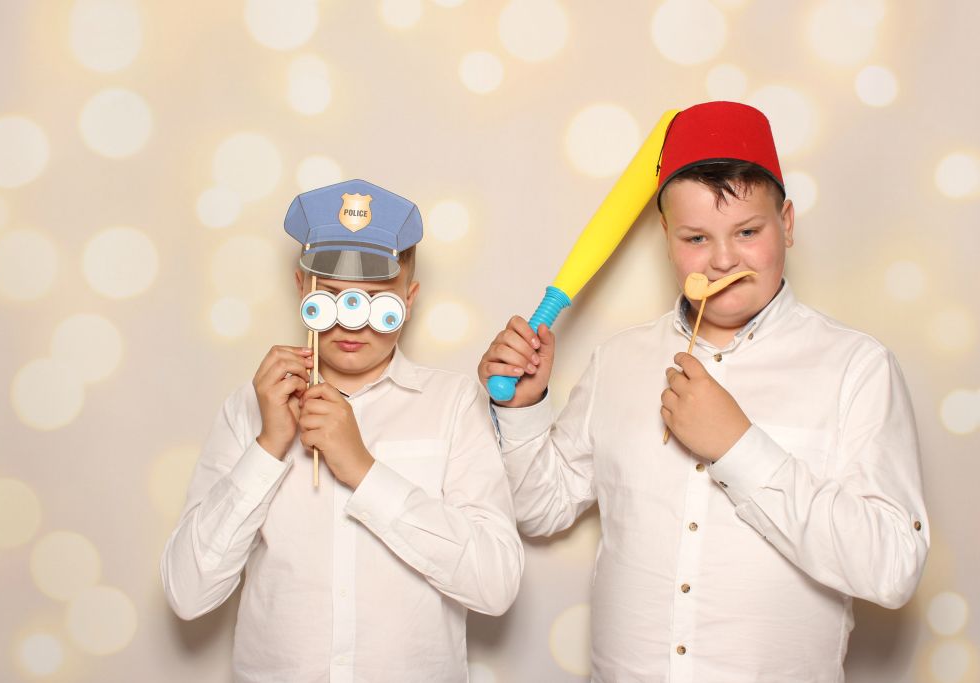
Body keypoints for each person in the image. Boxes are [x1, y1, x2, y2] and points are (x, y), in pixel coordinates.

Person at [478, 101, 929, 682]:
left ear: (787, 224)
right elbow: (540, 510)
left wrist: (737, 447)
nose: (722, 259)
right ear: (666, 237)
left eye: (748, 232)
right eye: (696, 237)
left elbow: (892, 569)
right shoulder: (617, 360)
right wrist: (521, 409)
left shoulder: (857, 368)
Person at [162, 179, 523, 682]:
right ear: (301, 289)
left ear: (409, 299)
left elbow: (496, 584)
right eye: (332, 298)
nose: (353, 323)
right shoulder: (250, 406)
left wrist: (363, 470)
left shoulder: (453, 405)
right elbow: (188, 593)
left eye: (376, 301)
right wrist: (268, 447)